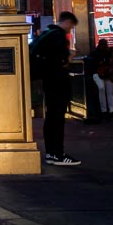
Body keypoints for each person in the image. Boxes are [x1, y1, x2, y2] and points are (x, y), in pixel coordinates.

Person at [32, 11, 81, 166]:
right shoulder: (58, 36)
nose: (70, 29)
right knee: (57, 118)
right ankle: (58, 154)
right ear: (67, 22)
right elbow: (61, 62)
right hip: (57, 82)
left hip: (47, 81)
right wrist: (70, 56)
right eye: (71, 26)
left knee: (51, 117)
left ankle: (51, 153)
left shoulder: (47, 33)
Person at [89, 39, 113, 117]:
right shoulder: (107, 52)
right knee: (106, 91)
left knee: (103, 90)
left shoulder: (96, 52)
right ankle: (109, 110)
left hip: (101, 73)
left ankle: (107, 110)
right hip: (104, 73)